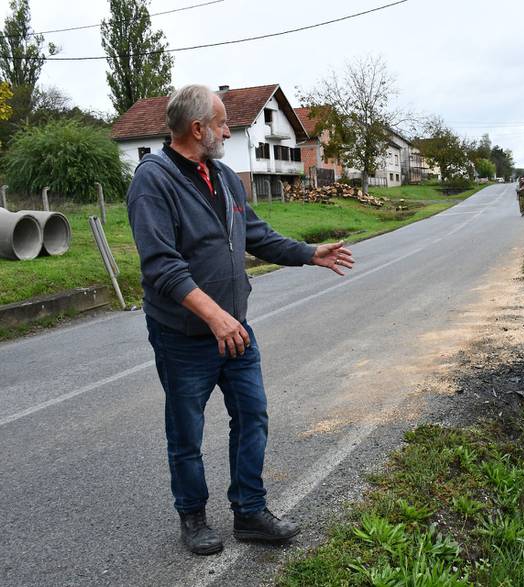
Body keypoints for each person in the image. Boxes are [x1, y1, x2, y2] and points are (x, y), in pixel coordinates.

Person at [127, 84, 355, 556]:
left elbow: (256, 235)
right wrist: (215, 318)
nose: (229, 130)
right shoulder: (154, 180)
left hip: (235, 329)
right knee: (186, 430)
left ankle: (249, 511)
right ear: (197, 129)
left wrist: (310, 253)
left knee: (252, 415)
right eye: (223, 123)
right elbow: (161, 267)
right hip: (184, 335)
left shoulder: (226, 177)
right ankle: (192, 516)